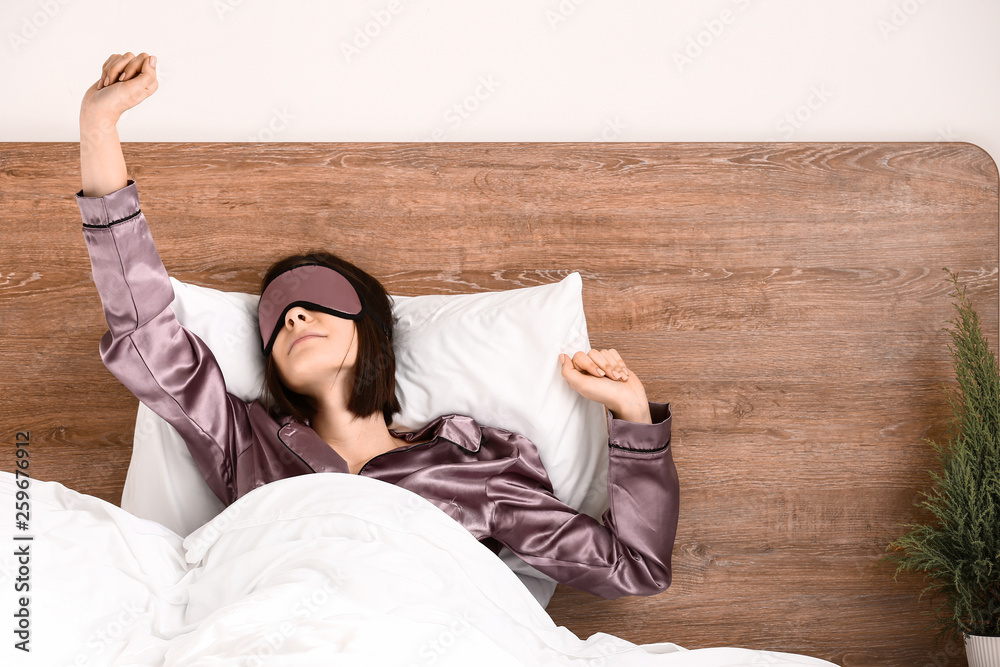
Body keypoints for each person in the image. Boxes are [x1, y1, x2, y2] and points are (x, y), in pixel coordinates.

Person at [77, 51, 680, 600]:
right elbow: (147, 332)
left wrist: (631, 419)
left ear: (372, 334)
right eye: (278, 318)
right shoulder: (244, 443)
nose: (295, 315)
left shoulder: (477, 470)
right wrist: (99, 129)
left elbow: (634, 568)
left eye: (317, 301)